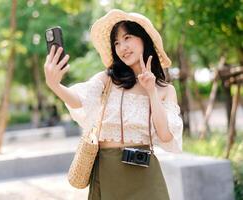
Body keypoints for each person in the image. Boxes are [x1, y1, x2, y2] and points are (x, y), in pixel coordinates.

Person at [44, 9, 183, 200]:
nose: (122, 46)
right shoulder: (108, 79)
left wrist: (151, 91)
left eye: (127, 37)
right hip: (108, 172)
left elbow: (166, 134)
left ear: (144, 39)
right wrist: (55, 85)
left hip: (145, 174)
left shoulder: (165, 90)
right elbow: (78, 99)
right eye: (116, 42)